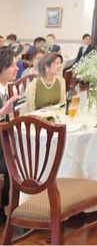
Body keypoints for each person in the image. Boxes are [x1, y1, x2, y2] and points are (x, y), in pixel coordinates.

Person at [0, 47, 22, 224]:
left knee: (22, 157)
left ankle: (9, 207)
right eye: (13, 65)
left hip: (3, 142)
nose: (17, 68)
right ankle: (9, 208)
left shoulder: (5, 89)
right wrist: (2, 112)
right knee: (17, 164)